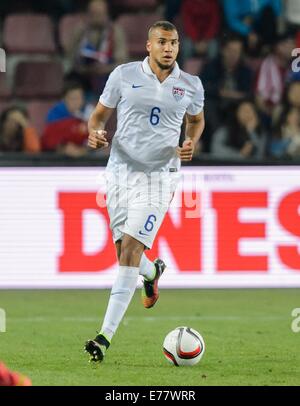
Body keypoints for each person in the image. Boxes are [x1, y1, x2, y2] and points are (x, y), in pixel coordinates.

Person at [84, 20, 205, 363]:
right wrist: (95, 134)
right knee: (124, 251)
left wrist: (190, 141)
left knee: (131, 250)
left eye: (175, 42)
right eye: (163, 42)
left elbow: (196, 121)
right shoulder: (123, 75)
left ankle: (104, 337)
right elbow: (97, 117)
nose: (170, 48)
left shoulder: (190, 85)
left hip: (159, 176)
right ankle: (152, 273)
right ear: (148, 46)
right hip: (120, 172)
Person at [201, 34, 254, 151]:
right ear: (223, 50)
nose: (233, 54)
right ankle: (212, 145)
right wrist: (221, 93)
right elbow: (202, 88)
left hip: (236, 106)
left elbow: (248, 94)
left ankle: (246, 148)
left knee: (247, 109)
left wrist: (228, 94)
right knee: (207, 107)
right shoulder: (211, 66)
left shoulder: (245, 71)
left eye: (237, 51)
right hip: (215, 104)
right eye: (230, 50)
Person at [67, 0, 128, 98]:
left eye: (100, 14)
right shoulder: (80, 31)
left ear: (106, 14)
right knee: (71, 80)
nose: (96, 17)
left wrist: (104, 69)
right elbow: (71, 57)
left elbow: (121, 61)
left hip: (107, 73)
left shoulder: (115, 31)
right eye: (93, 13)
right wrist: (85, 68)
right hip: (84, 74)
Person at [42, 82, 92, 157]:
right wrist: (63, 149)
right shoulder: (54, 115)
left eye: (79, 98)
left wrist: (83, 150)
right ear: (64, 99)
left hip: (84, 155)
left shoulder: (89, 113)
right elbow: (49, 142)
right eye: (73, 98)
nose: (77, 102)